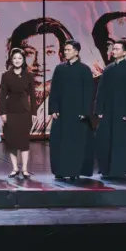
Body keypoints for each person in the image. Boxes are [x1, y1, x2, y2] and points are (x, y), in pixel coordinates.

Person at [47, 40, 95, 180]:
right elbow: (54, 90)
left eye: (68, 50)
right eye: (65, 50)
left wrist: (85, 112)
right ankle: (60, 171)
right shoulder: (59, 69)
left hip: (78, 113)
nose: (66, 52)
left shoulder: (84, 69)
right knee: (60, 143)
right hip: (62, 113)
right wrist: (54, 109)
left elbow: (89, 93)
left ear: (76, 52)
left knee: (76, 144)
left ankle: (75, 171)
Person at [93, 40, 126, 179]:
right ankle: (106, 169)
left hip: (123, 113)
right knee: (105, 140)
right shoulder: (108, 69)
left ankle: (120, 169)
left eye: (117, 49)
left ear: (124, 52)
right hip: (108, 111)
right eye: (113, 49)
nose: (114, 51)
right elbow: (101, 90)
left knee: (121, 142)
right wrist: (99, 109)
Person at [0, 47, 36, 178]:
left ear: (23, 60)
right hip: (10, 111)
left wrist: (34, 113)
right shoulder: (6, 75)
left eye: (20, 58)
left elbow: (33, 96)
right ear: (11, 60)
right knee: (12, 141)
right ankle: (15, 168)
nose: (17, 60)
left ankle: (25, 169)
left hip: (24, 111)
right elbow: (2, 95)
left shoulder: (29, 75)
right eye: (15, 58)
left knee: (24, 141)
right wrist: (2, 112)